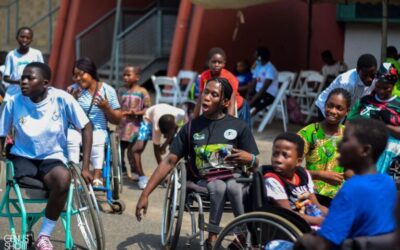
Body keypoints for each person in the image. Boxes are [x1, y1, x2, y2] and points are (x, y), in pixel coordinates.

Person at [136, 77, 259, 248]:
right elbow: (170, 161)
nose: (206, 97)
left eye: (213, 94)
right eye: (205, 92)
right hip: (204, 181)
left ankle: (242, 234)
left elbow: (255, 165)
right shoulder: (190, 128)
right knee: (220, 186)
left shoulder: (239, 126)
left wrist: (250, 158)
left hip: (234, 177)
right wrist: (145, 193)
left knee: (232, 186)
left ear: (224, 102)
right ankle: (213, 235)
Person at [0, 62, 93, 250]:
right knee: (34, 182)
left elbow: (86, 126)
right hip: (23, 156)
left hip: (52, 156)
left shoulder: (62, 99)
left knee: (63, 179)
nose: (23, 82)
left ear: (45, 83)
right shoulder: (13, 101)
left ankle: (44, 235)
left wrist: (85, 167)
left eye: (29, 78)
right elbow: (2, 134)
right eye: (22, 77)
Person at [295, 118, 397, 249]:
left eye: (345, 140)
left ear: (365, 150)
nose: (338, 145)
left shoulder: (352, 188)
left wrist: (303, 240)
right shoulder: (387, 182)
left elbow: (322, 244)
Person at [67, 57, 122, 187]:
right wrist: (71, 101)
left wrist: (107, 108)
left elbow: (117, 119)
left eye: (81, 75)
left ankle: (97, 175)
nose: (78, 79)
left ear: (91, 72)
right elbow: (63, 117)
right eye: (75, 76)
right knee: (71, 138)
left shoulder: (107, 90)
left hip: (98, 130)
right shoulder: (72, 90)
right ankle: (73, 173)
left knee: (97, 139)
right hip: (76, 129)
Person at [298, 88, 353, 206]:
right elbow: (292, 169)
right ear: (324, 105)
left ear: (347, 111)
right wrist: (320, 175)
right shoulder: (309, 133)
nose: (333, 111)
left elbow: (349, 171)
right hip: (312, 195)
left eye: (339, 108)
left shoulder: (348, 135)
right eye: (330, 106)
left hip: (340, 197)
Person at [263, 132, 327, 226]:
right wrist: (321, 222)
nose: (278, 160)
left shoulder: (303, 174)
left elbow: (316, 205)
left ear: (299, 161)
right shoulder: (272, 180)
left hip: (310, 218)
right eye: (275, 154)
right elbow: (289, 215)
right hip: (293, 226)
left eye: (285, 155)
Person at [347, 63, 400, 174]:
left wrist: (384, 125)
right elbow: (349, 123)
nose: (381, 91)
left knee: (390, 188)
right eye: (378, 86)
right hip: (365, 154)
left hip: (393, 156)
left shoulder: (398, 104)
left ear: (393, 85)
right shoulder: (365, 101)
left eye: (386, 88)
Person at [193, 47, 252, 129]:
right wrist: (194, 120)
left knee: (242, 132)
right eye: (214, 62)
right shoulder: (204, 76)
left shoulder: (230, 78)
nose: (216, 64)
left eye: (219, 62)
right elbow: (201, 97)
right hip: (219, 105)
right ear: (208, 62)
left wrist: (228, 121)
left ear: (224, 64)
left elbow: (232, 100)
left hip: (237, 106)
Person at [132, 103, 186, 189]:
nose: (165, 138)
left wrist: (165, 145)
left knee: (176, 146)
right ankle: (142, 177)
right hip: (149, 119)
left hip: (170, 119)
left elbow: (176, 128)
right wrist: (164, 173)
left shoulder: (181, 115)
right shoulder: (156, 128)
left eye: (167, 135)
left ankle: (172, 176)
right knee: (137, 149)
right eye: (165, 135)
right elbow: (157, 152)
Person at [315, 54, 378, 120]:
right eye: (365, 75)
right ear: (357, 70)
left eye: (372, 75)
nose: (369, 79)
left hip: (347, 109)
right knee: (331, 128)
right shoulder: (347, 83)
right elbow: (339, 107)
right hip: (327, 106)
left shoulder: (376, 78)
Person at [117, 65, 151, 181]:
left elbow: (148, 108)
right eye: (124, 75)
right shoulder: (121, 91)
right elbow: (117, 106)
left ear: (137, 77)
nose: (125, 77)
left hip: (136, 126)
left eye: (128, 75)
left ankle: (135, 171)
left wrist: (137, 112)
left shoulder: (142, 91)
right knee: (119, 150)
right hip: (122, 126)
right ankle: (122, 170)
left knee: (132, 151)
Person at [3, 27, 44, 102]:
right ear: (17, 38)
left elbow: (42, 74)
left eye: (28, 38)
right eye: (22, 37)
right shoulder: (11, 55)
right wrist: (18, 82)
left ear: (31, 40)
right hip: (13, 94)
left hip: (31, 94)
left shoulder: (37, 54)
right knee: (4, 111)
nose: (25, 40)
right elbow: (5, 78)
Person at [248, 47, 279, 117]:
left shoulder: (270, 69)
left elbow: (263, 89)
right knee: (243, 102)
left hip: (268, 94)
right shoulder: (258, 66)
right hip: (258, 93)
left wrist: (251, 102)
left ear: (260, 57)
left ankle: (244, 122)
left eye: (255, 55)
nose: (254, 56)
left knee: (254, 107)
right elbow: (253, 83)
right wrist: (248, 95)